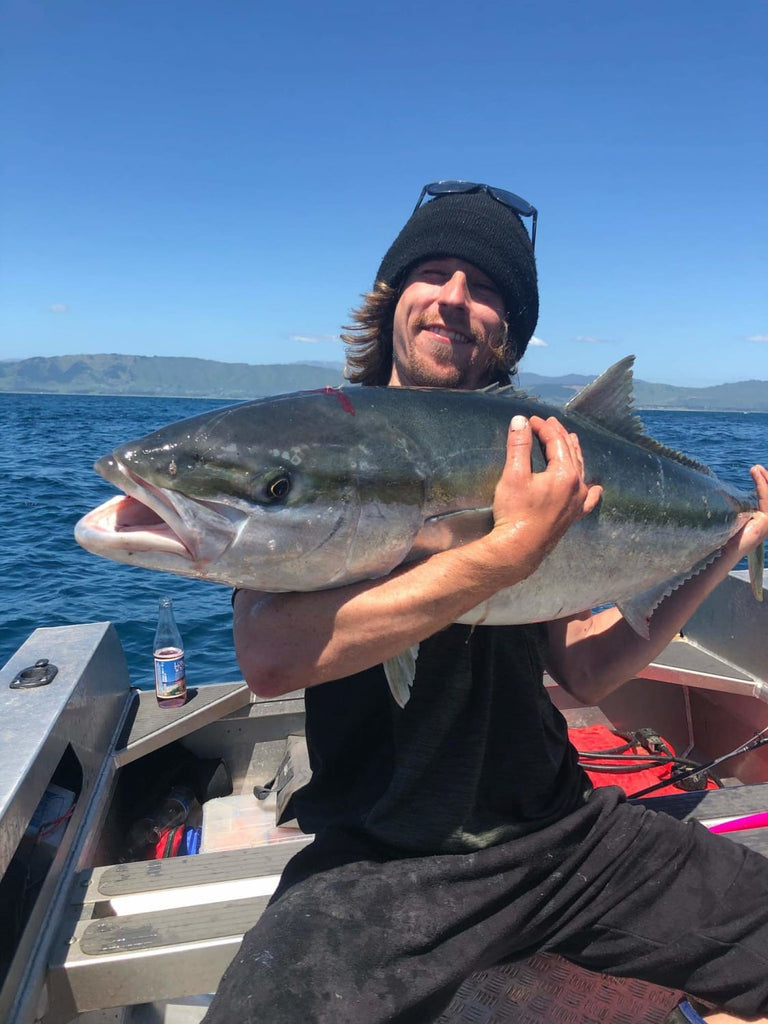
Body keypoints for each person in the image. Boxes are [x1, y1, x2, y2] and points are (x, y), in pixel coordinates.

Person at [204, 182, 768, 1024]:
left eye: (487, 287)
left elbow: (582, 672)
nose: (456, 299)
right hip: (381, 862)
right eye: (433, 272)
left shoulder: (541, 454)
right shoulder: (321, 452)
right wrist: (510, 550)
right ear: (394, 296)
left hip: (565, 833)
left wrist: (720, 552)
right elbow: (273, 658)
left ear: (510, 327)